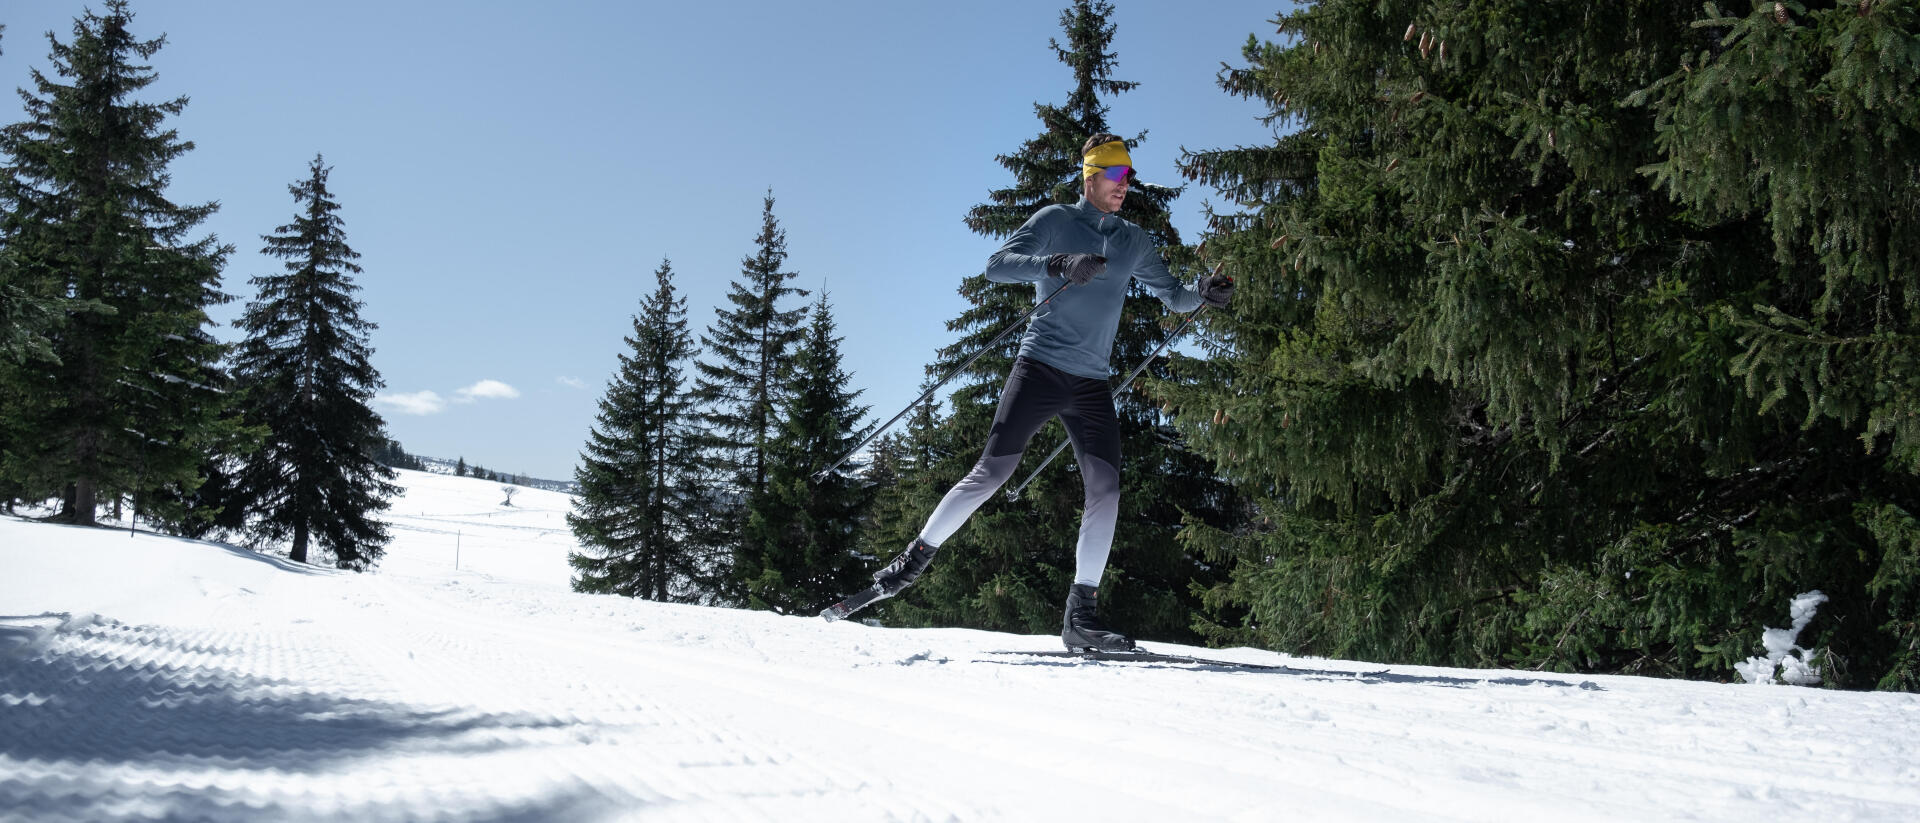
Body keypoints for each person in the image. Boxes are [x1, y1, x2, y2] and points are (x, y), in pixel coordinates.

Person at [863, 133, 1235, 651]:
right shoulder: (1055, 221)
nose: (1125, 185)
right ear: (1091, 179)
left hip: (1091, 382)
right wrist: (1056, 265)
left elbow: (1173, 295)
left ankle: (1080, 617)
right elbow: (997, 266)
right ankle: (913, 561)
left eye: (1129, 176)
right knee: (991, 472)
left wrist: (1204, 295)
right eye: (1116, 176)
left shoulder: (1133, 239)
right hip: (1039, 367)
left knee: (1106, 491)